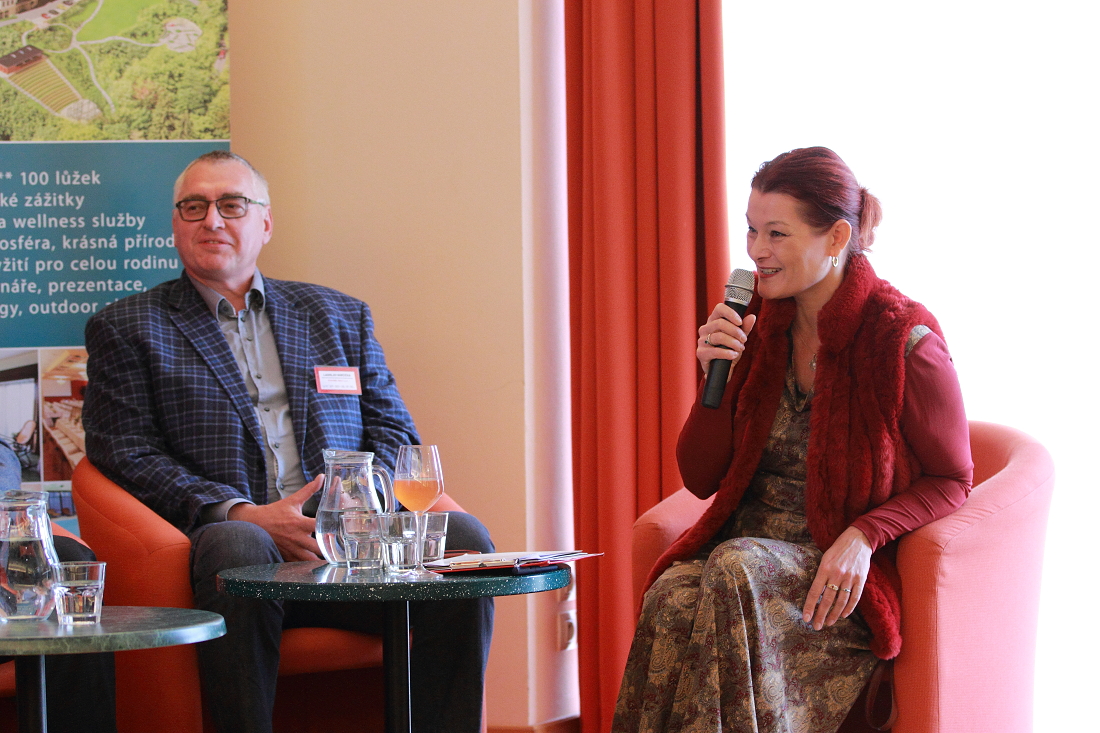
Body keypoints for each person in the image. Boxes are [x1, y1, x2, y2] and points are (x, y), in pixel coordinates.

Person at [82, 150, 494, 733]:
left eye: (231, 205)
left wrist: (358, 506)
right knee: (237, 542)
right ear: (176, 225)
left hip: (358, 548)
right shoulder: (128, 326)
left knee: (466, 539)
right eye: (194, 207)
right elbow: (125, 451)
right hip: (238, 548)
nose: (212, 220)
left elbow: (395, 434)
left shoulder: (338, 316)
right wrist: (242, 512)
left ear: (265, 222)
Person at [612, 147, 973, 733]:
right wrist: (714, 379)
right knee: (673, 593)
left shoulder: (902, 338)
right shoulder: (753, 322)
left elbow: (953, 479)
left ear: (837, 238)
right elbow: (700, 479)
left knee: (733, 565)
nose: (757, 250)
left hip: (834, 585)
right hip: (742, 568)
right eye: (752, 230)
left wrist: (863, 536)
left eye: (776, 234)